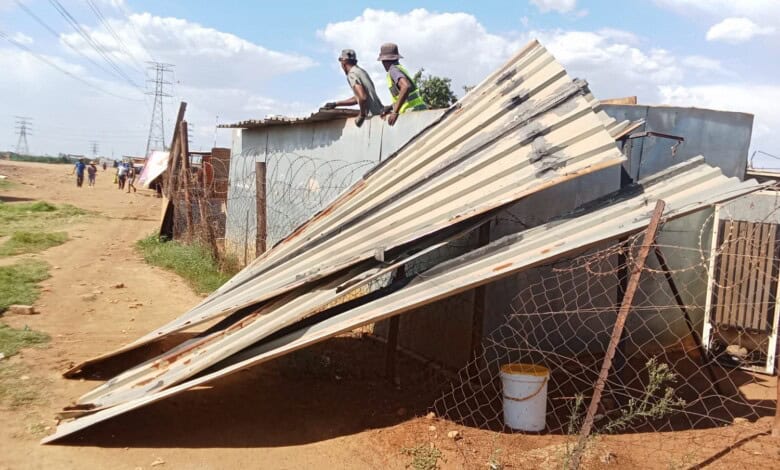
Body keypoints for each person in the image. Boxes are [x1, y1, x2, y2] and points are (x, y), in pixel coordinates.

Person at [322, 49, 384, 128]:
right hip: (380, 113)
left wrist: (362, 115)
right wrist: (336, 104)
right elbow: (359, 97)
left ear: (344, 62)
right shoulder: (361, 71)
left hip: (372, 118)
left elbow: (363, 97)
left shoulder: (352, 74)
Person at [377, 43, 427, 126]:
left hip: (413, 112)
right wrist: (391, 107)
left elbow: (406, 87)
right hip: (418, 110)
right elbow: (405, 97)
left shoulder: (393, 70)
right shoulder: (400, 68)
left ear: (384, 61)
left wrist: (395, 112)